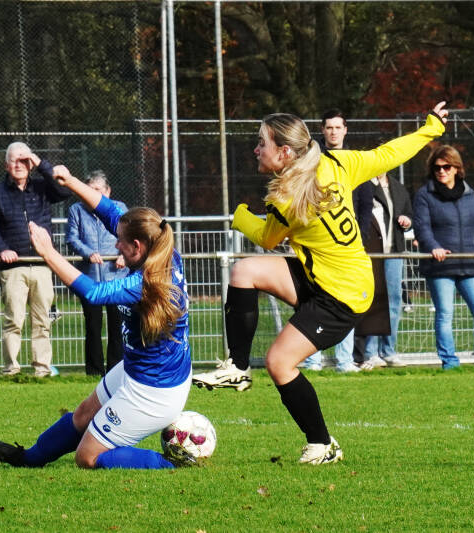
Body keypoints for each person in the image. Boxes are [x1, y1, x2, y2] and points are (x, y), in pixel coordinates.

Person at [192, 102, 448, 464]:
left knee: (280, 363)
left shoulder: (289, 196)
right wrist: (431, 129)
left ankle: (323, 444)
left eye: (261, 142)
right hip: (326, 278)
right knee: (244, 272)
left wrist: (240, 217)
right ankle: (237, 367)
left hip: (342, 297)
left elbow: (266, 237)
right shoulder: (336, 163)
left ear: (284, 152)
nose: (256, 149)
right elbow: (390, 154)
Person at [0, 165, 193, 469]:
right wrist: (70, 181)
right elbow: (110, 212)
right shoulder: (162, 249)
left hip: (155, 391)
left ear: (137, 247)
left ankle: (174, 462)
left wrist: (49, 253)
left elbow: (94, 293)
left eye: (121, 241)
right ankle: (28, 458)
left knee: (87, 457)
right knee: (83, 415)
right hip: (139, 370)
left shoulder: (148, 282)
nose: (115, 244)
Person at [0, 142, 71, 377]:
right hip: (13, 267)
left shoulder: (42, 187)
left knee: (42, 321)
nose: (19, 165)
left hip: (42, 265)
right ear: (6, 165)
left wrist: (40, 163)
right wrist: (2, 249)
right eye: (14, 161)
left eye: (24, 160)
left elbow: (63, 191)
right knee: (14, 320)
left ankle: (42, 369)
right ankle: (11, 368)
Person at [303, 109, 373, 372]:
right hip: (320, 248)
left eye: (338, 127)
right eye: (329, 127)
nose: (333, 131)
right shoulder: (311, 161)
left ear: (345, 130)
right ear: (323, 130)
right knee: (314, 302)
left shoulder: (355, 162)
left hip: (348, 251)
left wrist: (359, 239)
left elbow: (366, 206)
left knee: (345, 303)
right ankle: (312, 359)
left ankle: (344, 361)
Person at [413, 145, 474, 369]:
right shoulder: (424, 195)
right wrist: (433, 247)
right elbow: (422, 228)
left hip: (469, 263)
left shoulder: (469, 193)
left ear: (456, 168)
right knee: (445, 314)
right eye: (437, 167)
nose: (442, 171)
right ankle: (450, 363)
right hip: (441, 266)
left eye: (447, 167)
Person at [65, 170, 127, 375]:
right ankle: (93, 370)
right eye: (89, 189)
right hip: (90, 277)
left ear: (108, 191)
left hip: (116, 278)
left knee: (117, 326)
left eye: (97, 190)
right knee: (92, 326)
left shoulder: (120, 209)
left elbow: (131, 237)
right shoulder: (76, 210)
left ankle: (116, 369)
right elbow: (72, 238)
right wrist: (88, 252)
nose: (92, 194)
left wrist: (124, 255)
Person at [360, 172, 411, 369]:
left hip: (394, 250)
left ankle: (388, 351)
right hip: (373, 252)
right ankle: (370, 352)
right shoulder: (365, 185)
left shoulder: (397, 187)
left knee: (395, 300)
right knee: (375, 299)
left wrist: (407, 220)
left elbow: (408, 212)